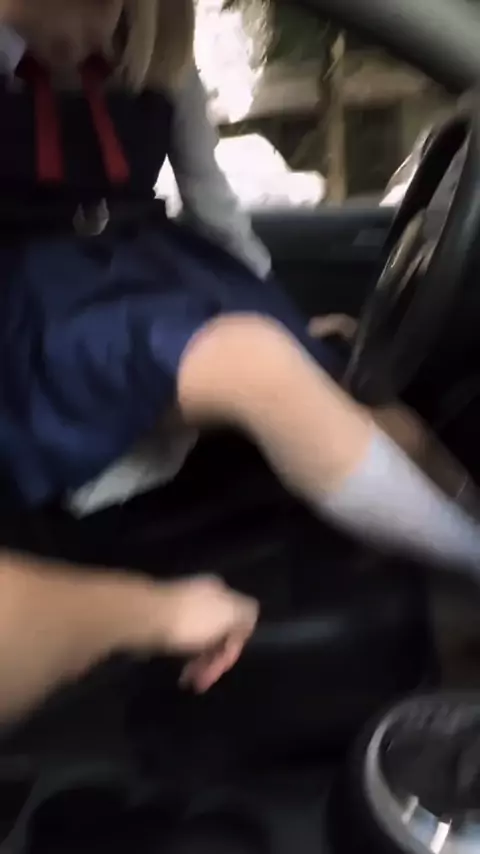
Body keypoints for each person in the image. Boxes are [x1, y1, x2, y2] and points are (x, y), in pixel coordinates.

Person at [0, 0, 479, 724]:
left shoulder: (154, 52)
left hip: (149, 272)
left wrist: (283, 319)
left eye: (120, 8)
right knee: (255, 362)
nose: (101, 30)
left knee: (379, 411)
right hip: (34, 307)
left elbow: (214, 207)